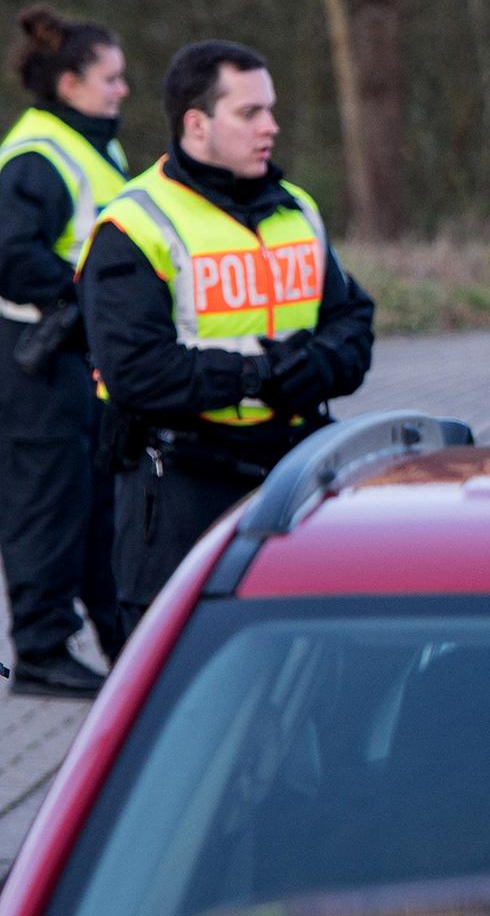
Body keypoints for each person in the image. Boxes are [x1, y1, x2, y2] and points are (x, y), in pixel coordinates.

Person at [79, 40, 375, 626]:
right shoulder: (133, 225)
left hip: (293, 476)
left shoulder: (297, 210)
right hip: (183, 484)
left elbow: (352, 322)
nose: (271, 127)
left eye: (271, 110)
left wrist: (317, 366)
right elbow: (136, 371)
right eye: (249, 112)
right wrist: (256, 377)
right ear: (197, 124)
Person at [0, 6, 126, 696]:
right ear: (70, 83)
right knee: (44, 501)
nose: (123, 89)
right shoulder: (39, 155)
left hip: (75, 353)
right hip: (34, 356)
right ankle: (42, 651)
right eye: (111, 78)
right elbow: (9, 255)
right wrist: (81, 293)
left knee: (92, 500)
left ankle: (121, 643)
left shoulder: (91, 146)